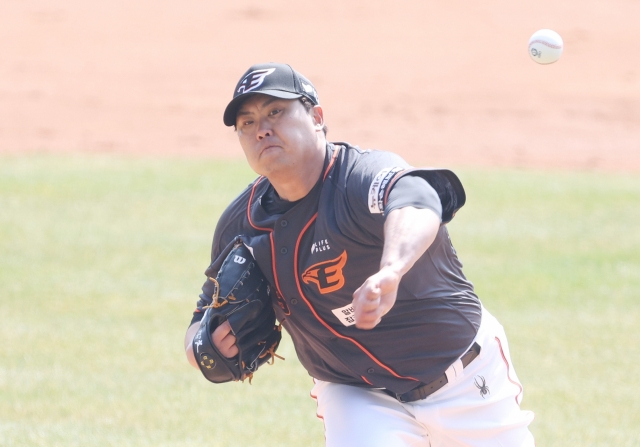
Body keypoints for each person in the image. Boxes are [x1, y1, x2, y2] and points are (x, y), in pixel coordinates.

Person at [184, 62, 535, 447]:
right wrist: (205, 347)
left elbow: (416, 200)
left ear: (317, 117)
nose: (262, 128)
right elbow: (202, 317)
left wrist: (392, 270)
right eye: (247, 123)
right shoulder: (241, 225)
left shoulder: (359, 177)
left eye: (275, 112)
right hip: (354, 393)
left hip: (463, 377)